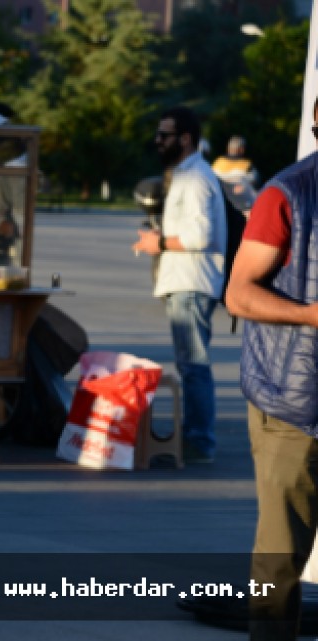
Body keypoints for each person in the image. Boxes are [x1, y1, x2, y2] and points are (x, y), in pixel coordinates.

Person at [226, 98, 318, 640]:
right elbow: (239, 294)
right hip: (295, 404)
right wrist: (311, 315)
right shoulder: (288, 193)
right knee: (281, 563)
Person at [131, 106, 226, 464]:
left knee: (193, 365)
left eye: (164, 135)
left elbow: (201, 236)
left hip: (191, 283)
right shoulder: (186, 174)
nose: (158, 141)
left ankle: (199, 441)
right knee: (190, 364)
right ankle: (195, 436)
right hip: (185, 282)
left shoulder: (195, 178)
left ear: (185, 138)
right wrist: (160, 236)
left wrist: (158, 243)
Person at [213, 135, 259, 213]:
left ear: (228, 148)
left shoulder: (218, 163)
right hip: (243, 206)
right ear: (241, 149)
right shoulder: (246, 165)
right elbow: (256, 181)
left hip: (221, 205)